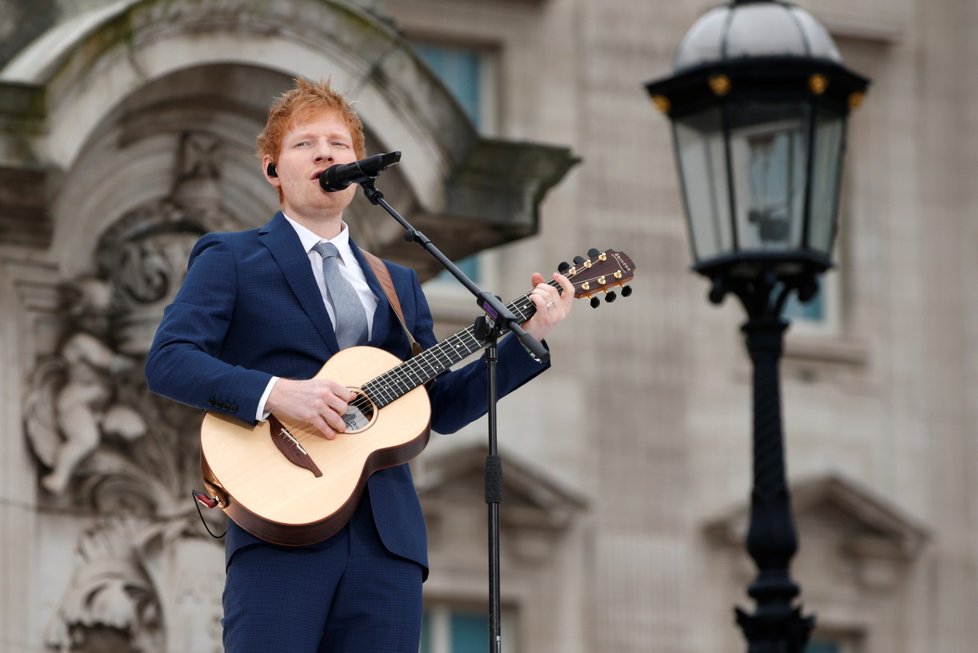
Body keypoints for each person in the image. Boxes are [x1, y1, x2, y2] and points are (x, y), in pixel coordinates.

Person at [144, 77, 573, 653]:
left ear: (358, 167)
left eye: (339, 144)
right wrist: (277, 393)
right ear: (273, 169)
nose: (326, 153)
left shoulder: (396, 282)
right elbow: (169, 361)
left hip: (386, 542)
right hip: (282, 526)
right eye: (305, 144)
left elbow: (439, 407)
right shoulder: (232, 257)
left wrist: (528, 337)